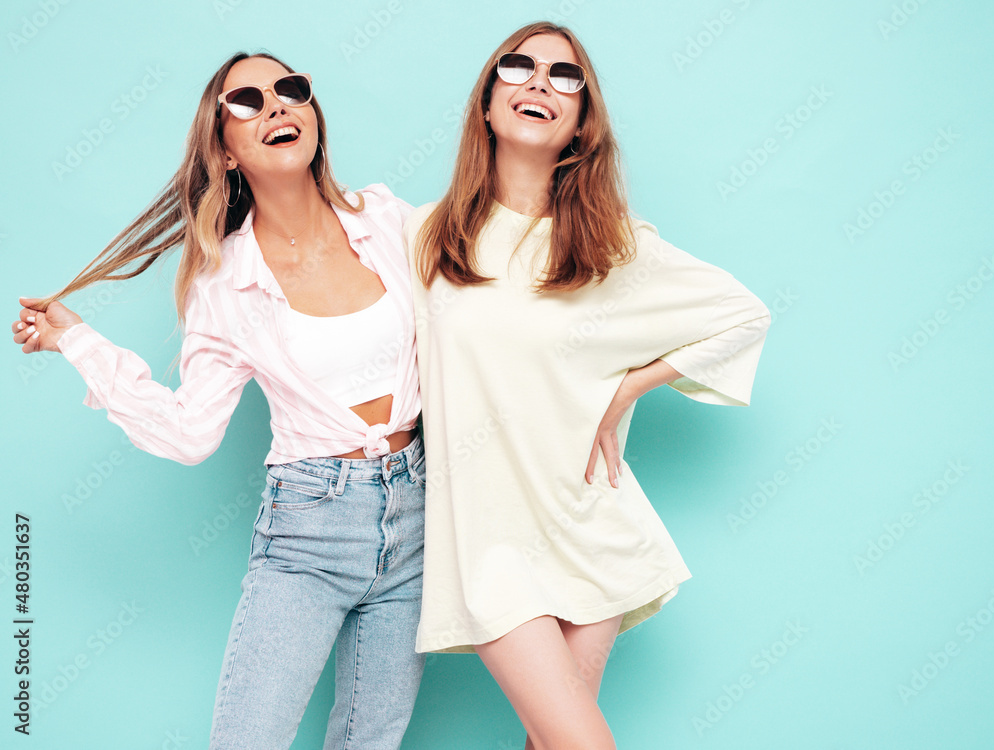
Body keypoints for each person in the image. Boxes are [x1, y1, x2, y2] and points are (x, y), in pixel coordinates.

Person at [12, 52, 424, 750]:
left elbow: (481, 308)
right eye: (247, 101)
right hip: (309, 531)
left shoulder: (388, 221)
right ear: (224, 150)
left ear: (314, 116)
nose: (276, 106)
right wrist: (79, 342)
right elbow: (188, 432)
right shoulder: (225, 284)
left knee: (372, 740)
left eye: (291, 91)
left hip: (418, 516)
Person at [406, 22, 771, 749]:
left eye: (564, 76)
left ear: (580, 127)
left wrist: (632, 385)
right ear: (487, 102)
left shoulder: (612, 247)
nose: (539, 81)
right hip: (488, 548)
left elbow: (744, 314)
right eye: (519, 66)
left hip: (590, 530)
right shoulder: (424, 236)